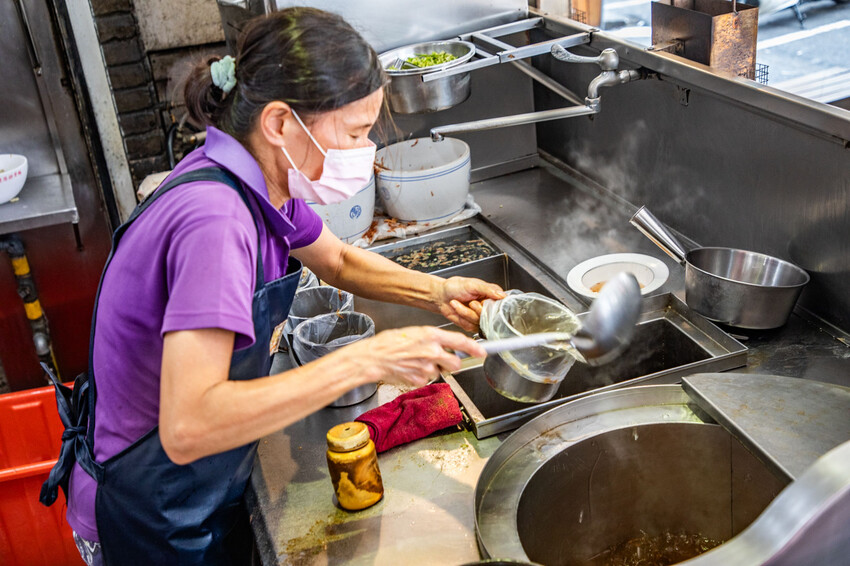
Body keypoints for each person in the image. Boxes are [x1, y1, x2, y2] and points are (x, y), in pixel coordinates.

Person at [39, 7, 504, 565]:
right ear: (281, 123)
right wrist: (368, 360)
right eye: (356, 133)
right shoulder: (216, 220)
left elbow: (337, 261)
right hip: (149, 515)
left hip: (197, 489)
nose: (367, 155)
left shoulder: (260, 186)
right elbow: (188, 425)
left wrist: (436, 292)